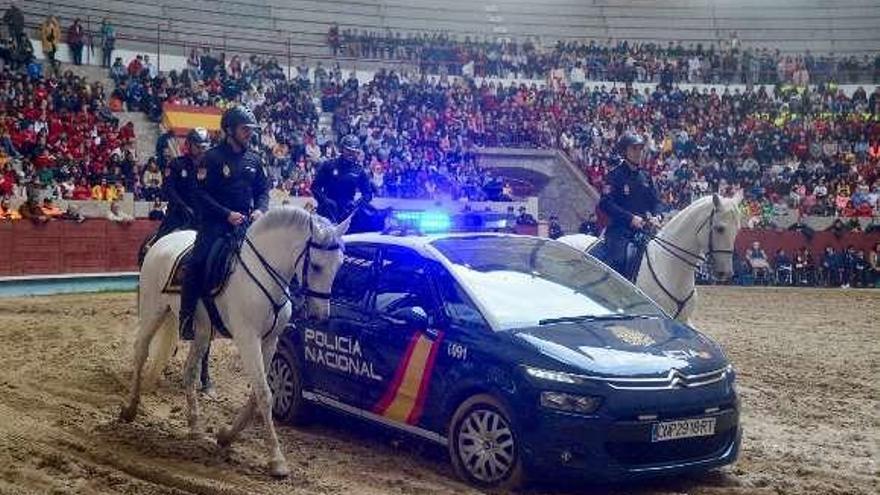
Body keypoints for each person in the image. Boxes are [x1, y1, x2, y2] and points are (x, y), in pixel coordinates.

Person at [179, 106, 268, 395]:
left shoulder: (256, 158)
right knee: (197, 263)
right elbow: (199, 194)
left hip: (246, 225)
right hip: (216, 225)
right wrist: (226, 214)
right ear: (230, 130)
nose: (249, 134)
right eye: (245, 129)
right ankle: (187, 319)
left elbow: (263, 190)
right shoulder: (212, 158)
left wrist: (261, 210)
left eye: (251, 130)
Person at [597, 133, 660, 280]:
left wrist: (658, 215)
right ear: (624, 151)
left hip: (644, 230)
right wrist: (630, 218)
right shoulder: (615, 176)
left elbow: (656, 202)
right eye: (634, 149)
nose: (638, 153)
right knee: (619, 260)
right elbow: (605, 203)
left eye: (640, 149)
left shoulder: (646, 176)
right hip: (620, 231)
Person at [154, 128, 210, 239]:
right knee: (161, 239)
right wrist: (182, 206)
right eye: (198, 147)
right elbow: (168, 189)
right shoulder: (177, 164)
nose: (201, 151)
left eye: (204, 147)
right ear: (189, 145)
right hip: (179, 213)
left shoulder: (211, 167)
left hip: (202, 215)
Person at [311, 134, 372, 223]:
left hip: (348, 210)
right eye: (348, 150)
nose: (351, 154)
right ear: (342, 149)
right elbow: (315, 187)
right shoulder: (329, 165)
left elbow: (367, 194)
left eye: (354, 151)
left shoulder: (359, 171)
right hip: (327, 209)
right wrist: (325, 201)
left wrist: (357, 204)